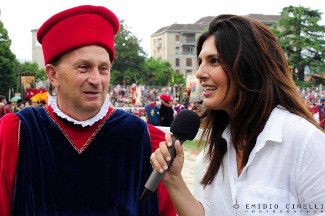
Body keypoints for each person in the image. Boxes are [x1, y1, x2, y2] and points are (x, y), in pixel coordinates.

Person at [0, 5, 173, 215]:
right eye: (83, 67)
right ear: (53, 75)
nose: (96, 80)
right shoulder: (17, 133)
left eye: (103, 69)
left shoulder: (142, 137)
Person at [150, 15, 325, 216]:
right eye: (200, 61)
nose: (199, 73)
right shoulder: (220, 144)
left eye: (214, 61)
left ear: (248, 66)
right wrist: (173, 180)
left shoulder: (305, 141)